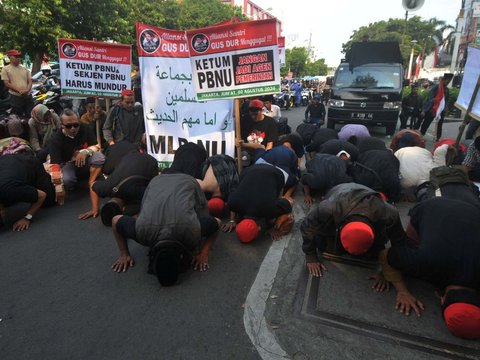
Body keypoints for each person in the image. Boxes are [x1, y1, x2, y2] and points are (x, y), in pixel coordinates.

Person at [380, 198, 480, 338]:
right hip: (429, 206)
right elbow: (385, 255)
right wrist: (402, 291)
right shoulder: (424, 263)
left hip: (472, 209)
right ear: (442, 299)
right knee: (410, 244)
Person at [110, 173, 221, 286]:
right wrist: (124, 253)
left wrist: (204, 253)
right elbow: (115, 220)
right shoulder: (141, 233)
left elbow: (217, 223)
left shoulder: (192, 231)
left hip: (174, 181)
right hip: (161, 181)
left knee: (202, 214)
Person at [300, 183, 407, 294]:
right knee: (322, 246)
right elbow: (307, 227)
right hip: (339, 192)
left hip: (364, 201)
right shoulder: (328, 208)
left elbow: (399, 242)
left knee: (373, 256)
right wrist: (311, 256)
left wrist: (386, 271)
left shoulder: (387, 213)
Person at [48, 109, 105, 219]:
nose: (73, 128)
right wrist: (58, 188)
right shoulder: (55, 139)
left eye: (76, 125)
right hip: (68, 164)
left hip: (86, 159)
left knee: (99, 157)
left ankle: (91, 181)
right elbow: (55, 165)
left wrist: (84, 152)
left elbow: (97, 146)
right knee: (68, 180)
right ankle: (75, 184)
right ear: (62, 125)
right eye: (69, 126)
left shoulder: (84, 127)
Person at [92, 141, 159, 226]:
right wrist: (94, 208)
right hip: (131, 157)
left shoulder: (137, 194)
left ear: (123, 209)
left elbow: (154, 194)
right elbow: (92, 185)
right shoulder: (106, 188)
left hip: (146, 163)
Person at [224, 163, 294, 242]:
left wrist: (274, 226)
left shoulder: (269, 208)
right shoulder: (233, 203)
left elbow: (289, 204)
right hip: (250, 168)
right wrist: (232, 220)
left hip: (276, 172)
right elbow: (233, 203)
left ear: (259, 228)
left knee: (275, 203)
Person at [0, 153, 55, 231]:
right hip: (7, 165)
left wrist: (27, 218)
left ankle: (52, 175)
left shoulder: (10, 189)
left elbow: (42, 195)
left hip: (30, 164)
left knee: (49, 201)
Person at [238, 99, 279, 164]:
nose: (253, 114)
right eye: (251, 111)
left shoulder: (270, 122)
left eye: (256, 111)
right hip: (247, 153)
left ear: (262, 110)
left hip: (262, 153)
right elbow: (240, 137)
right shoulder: (245, 120)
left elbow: (269, 145)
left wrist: (265, 159)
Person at [414, 73, 453, 141]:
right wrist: (437, 100)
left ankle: (438, 138)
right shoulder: (435, 88)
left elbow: (447, 100)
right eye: (447, 81)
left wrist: (444, 107)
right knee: (427, 122)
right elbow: (430, 99)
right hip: (432, 108)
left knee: (440, 124)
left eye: (449, 81)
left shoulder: (446, 90)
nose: (448, 82)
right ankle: (421, 134)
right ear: (444, 80)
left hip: (441, 109)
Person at [1, 50, 33, 119]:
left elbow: (30, 81)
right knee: (18, 117)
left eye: (18, 57)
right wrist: (19, 90)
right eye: (15, 56)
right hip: (15, 97)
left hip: (27, 96)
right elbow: (6, 83)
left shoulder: (24, 68)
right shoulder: (5, 69)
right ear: (10, 57)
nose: (18, 58)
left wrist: (27, 90)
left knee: (30, 116)